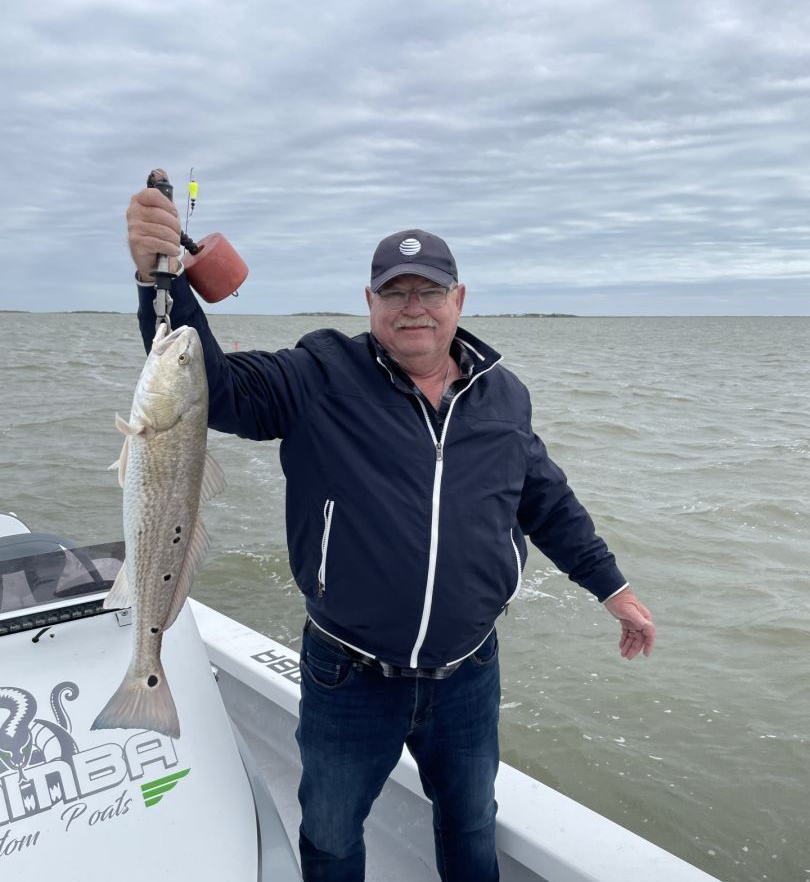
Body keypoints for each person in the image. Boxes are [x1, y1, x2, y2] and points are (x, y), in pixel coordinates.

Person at [126, 186, 656, 882]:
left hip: (469, 671)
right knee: (331, 835)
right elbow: (212, 389)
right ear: (369, 302)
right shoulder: (320, 373)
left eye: (429, 291)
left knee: (470, 824)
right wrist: (157, 283)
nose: (413, 307)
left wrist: (613, 588)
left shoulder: (503, 396)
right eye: (395, 292)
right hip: (349, 673)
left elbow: (545, 500)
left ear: (458, 299)